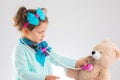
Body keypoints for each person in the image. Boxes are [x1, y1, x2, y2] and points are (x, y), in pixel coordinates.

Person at [12, 6, 81, 80]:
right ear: (26, 31)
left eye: (44, 32)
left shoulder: (42, 47)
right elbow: (23, 73)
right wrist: (44, 78)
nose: (43, 35)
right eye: (40, 32)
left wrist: (76, 63)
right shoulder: (20, 50)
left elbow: (58, 59)